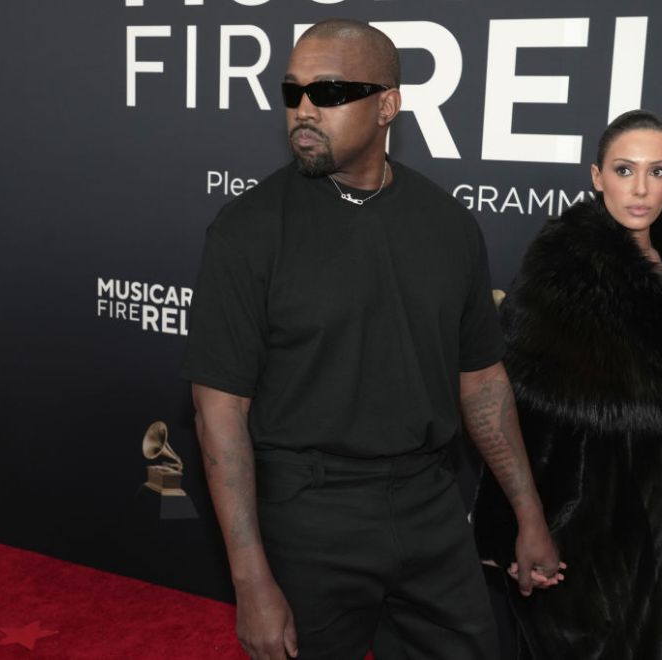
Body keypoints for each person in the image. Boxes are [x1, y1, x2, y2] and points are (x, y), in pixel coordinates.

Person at [181, 18, 562, 660]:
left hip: (430, 501)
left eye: (329, 92)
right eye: (293, 91)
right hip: (307, 511)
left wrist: (529, 516)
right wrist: (249, 579)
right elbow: (218, 410)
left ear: (387, 106)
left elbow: (481, 381)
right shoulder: (247, 231)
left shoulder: (448, 225)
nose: (304, 109)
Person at [472, 110, 662, 660]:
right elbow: (517, 407)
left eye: (658, 171)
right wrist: (513, 525)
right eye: (625, 170)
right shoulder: (561, 269)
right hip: (585, 522)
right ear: (597, 175)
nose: (641, 188)